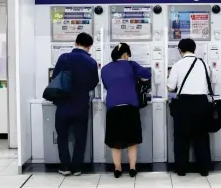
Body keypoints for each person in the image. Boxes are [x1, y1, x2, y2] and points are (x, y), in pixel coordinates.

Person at [100, 43, 152, 178]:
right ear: (125, 54)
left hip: (113, 106)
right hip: (130, 106)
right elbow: (147, 74)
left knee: (115, 141)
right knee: (132, 140)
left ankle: (117, 169)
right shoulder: (131, 65)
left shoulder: (105, 69)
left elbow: (107, 86)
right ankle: (132, 168)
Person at [52, 32, 99, 176]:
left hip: (63, 104)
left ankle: (65, 166)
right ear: (89, 47)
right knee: (80, 137)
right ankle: (77, 167)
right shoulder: (91, 62)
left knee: (62, 136)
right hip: (80, 104)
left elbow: (55, 77)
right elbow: (94, 82)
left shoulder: (64, 58)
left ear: (75, 42)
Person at [167, 38, 212, 176]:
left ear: (180, 50)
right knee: (201, 136)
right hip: (201, 103)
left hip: (184, 104)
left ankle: (181, 169)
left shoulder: (177, 65)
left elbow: (170, 87)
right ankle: (204, 169)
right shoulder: (204, 65)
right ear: (194, 49)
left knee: (181, 137)